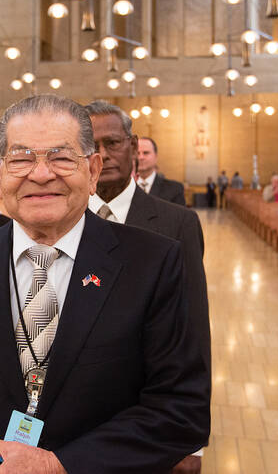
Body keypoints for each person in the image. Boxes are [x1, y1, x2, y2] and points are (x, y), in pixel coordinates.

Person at [0, 95, 208, 474]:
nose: (40, 174)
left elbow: (181, 407)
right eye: (21, 158)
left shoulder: (153, 263)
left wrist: (59, 465)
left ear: (93, 170)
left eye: (61, 157)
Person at [85, 99, 211, 473]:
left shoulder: (177, 223)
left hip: (148, 408)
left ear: (133, 146)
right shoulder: (62, 221)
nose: (103, 155)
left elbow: (194, 332)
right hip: (77, 412)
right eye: (92, 146)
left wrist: (193, 438)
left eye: (113, 143)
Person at [136, 136, 186, 206]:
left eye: (146, 153)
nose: (141, 157)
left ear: (156, 156)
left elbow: (180, 216)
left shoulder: (174, 189)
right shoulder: (122, 189)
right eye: (137, 153)